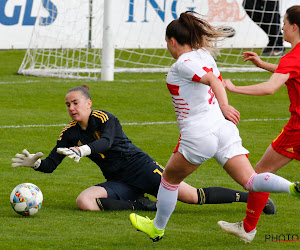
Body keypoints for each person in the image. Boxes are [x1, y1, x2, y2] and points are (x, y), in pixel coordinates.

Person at [129, 11, 300, 243]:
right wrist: (224, 110)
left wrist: (225, 105)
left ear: (172, 41)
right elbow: (216, 79)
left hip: (199, 134)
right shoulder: (204, 54)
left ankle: (156, 229)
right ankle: (291, 188)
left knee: (169, 180)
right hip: (224, 129)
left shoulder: (184, 63)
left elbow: (211, 80)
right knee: (251, 180)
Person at [10, 85, 276, 214]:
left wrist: (84, 151)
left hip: (142, 168)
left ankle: (251, 198)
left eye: (75, 102)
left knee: (192, 197)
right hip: (119, 181)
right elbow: (51, 165)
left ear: (88, 103)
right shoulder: (69, 134)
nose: (71, 108)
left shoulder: (104, 118)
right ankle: (141, 205)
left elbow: (106, 143)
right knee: (84, 202)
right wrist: (35, 163)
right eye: (68, 104)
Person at [220, 5, 300, 242]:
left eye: (284, 23)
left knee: (261, 173)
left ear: (294, 27)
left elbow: (270, 87)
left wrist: (234, 88)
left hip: (297, 129)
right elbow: (290, 71)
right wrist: (264, 65)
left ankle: (247, 228)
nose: (282, 27)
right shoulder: (294, 57)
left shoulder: (293, 57)